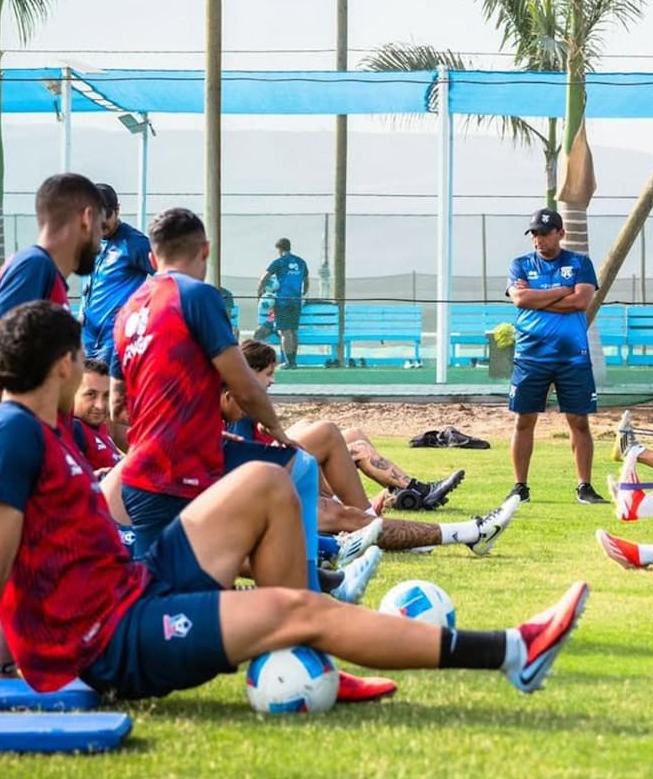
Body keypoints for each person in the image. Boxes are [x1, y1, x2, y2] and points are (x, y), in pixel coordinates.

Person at [0, 300, 589, 710]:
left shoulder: (39, 429)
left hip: (133, 585)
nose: (88, 372)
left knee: (268, 481)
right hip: (112, 638)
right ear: (62, 366)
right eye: (81, 361)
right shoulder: (10, 436)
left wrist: (7, 661)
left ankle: (305, 651)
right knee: (298, 608)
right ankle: (512, 651)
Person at [0, 173, 104, 673]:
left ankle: (4, 670)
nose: (100, 238)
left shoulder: (47, 278)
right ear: (84, 218)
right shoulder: (34, 267)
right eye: (100, 226)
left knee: (7, 597)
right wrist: (9, 436)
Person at [110, 209, 301, 558]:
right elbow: (244, 387)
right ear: (206, 250)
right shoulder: (198, 296)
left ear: (152, 258)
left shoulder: (127, 311)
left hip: (139, 474)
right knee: (299, 465)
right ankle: (307, 587)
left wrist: (184, 423)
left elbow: (116, 408)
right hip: (183, 471)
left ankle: (311, 579)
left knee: (167, 589)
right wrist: (276, 429)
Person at [228, 339, 466, 510]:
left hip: (274, 462)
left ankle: (401, 493)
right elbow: (245, 451)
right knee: (350, 444)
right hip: (267, 471)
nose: (273, 381)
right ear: (251, 371)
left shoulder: (249, 401)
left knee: (353, 434)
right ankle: (416, 492)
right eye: (268, 374)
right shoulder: (241, 400)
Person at [506, 208, 606, 505]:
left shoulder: (579, 263)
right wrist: (562, 292)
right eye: (534, 233)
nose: (538, 239)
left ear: (560, 234)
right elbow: (520, 299)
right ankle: (520, 487)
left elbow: (582, 301)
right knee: (524, 420)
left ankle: (584, 487)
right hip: (531, 355)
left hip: (572, 357)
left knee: (578, 421)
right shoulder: (520, 264)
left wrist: (539, 298)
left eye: (544, 233)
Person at [79, 184, 154, 367]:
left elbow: (168, 275)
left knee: (107, 390)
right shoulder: (89, 240)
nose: (101, 224)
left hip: (114, 339)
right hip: (86, 336)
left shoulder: (134, 243)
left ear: (117, 210)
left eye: (107, 217)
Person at [256, 237, 308, 369]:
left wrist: (259, 293)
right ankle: (294, 362)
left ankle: (288, 362)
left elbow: (264, 279)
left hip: (283, 301)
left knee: (284, 331)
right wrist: (302, 294)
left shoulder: (279, 262)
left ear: (279, 249)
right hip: (296, 300)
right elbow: (306, 282)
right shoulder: (301, 262)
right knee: (293, 331)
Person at [71, 358, 122, 475]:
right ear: (71, 393)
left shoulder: (101, 428)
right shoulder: (73, 429)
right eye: (90, 394)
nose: (100, 406)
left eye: (106, 396)